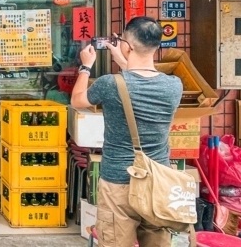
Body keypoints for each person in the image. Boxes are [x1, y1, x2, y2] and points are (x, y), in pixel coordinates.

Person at [71, 16, 184, 247]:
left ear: (128, 45)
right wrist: (122, 58)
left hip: (118, 181)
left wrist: (85, 66)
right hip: (157, 180)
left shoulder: (109, 84)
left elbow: (77, 100)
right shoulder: (174, 86)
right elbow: (140, 80)